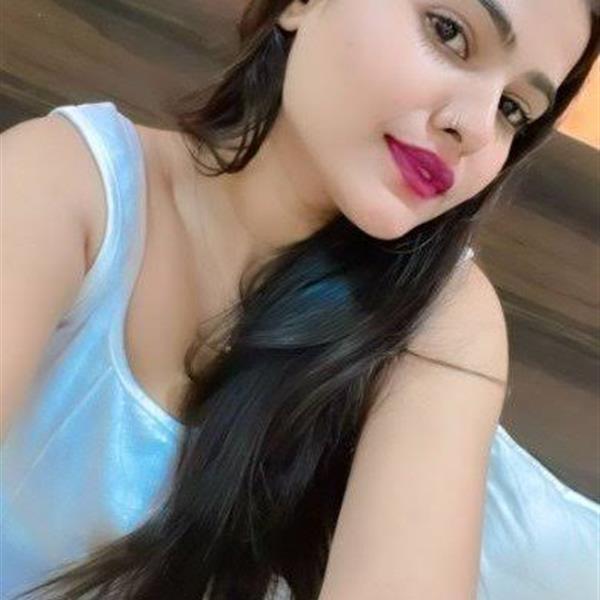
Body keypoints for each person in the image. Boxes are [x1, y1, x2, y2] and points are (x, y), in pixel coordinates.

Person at [1, 0, 598, 598]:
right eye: (450, 33)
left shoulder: (441, 322)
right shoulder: (65, 185)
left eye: (513, 109)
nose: (475, 128)